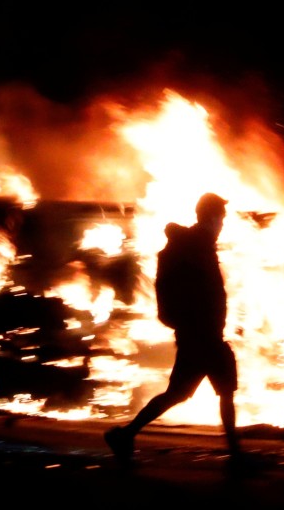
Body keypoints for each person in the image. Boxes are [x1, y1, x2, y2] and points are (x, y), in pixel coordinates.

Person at [104, 192, 253, 475]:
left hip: (202, 333)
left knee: (185, 393)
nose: (222, 223)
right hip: (201, 335)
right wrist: (204, 323)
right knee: (215, 391)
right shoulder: (195, 247)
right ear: (209, 218)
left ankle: (125, 434)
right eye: (220, 217)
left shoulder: (199, 245)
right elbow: (199, 293)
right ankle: (235, 455)